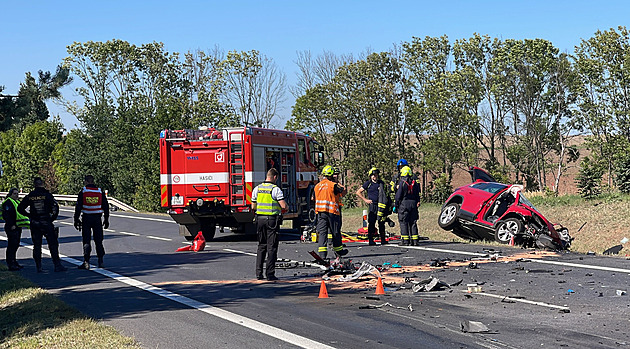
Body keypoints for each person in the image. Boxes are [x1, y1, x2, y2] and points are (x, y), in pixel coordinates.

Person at [17, 177, 66, 272]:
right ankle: (57, 265)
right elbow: (55, 207)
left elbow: (20, 208)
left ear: (34, 184)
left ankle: (39, 267)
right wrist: (52, 218)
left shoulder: (30, 196)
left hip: (35, 222)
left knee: (37, 245)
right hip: (46, 222)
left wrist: (29, 215)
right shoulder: (47, 195)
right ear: (42, 184)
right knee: (52, 244)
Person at [251, 168, 288, 281]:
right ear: (275, 177)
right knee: (271, 247)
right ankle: (270, 274)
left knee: (261, 246)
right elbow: (283, 206)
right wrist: (286, 208)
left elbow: (253, 206)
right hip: (272, 220)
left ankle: (258, 273)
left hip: (260, 219)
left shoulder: (257, 188)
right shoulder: (275, 189)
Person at [74, 175, 110, 269]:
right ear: (93, 181)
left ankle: (86, 262)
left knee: (86, 240)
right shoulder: (99, 191)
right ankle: (100, 260)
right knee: (99, 240)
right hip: (97, 219)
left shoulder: (83, 191)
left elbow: (78, 207)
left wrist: (76, 219)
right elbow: (105, 206)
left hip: (86, 218)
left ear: (86, 181)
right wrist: (106, 219)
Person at [314, 165, 348, 259]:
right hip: (332, 212)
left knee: (322, 233)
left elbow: (313, 198)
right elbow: (343, 191)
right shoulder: (332, 185)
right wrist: (337, 182)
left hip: (320, 212)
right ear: (331, 175)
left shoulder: (317, 186)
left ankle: (322, 255)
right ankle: (339, 252)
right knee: (335, 232)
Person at [357, 167, 390, 245]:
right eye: (373, 175)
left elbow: (386, 193)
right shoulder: (368, 184)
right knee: (372, 223)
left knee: (381, 222)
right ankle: (371, 240)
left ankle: (383, 239)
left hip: (381, 206)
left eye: (376, 175)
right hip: (372, 206)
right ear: (370, 176)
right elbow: (358, 192)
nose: (375, 176)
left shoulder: (381, 183)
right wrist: (365, 200)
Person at [2, 188, 30, 270]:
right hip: (11, 227)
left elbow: (21, 212)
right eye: (15, 193)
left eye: (17, 193)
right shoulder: (8, 202)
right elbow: (6, 215)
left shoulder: (17, 202)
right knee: (12, 245)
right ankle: (10, 263)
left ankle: (14, 261)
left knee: (16, 245)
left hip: (17, 226)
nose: (17, 195)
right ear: (11, 194)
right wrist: (12, 225)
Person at [395, 166, 421, 246]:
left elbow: (398, 196)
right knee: (413, 222)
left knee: (403, 222)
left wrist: (396, 205)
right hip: (413, 204)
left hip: (404, 204)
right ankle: (415, 240)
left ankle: (405, 241)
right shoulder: (414, 182)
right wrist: (417, 201)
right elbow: (417, 194)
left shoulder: (402, 183)